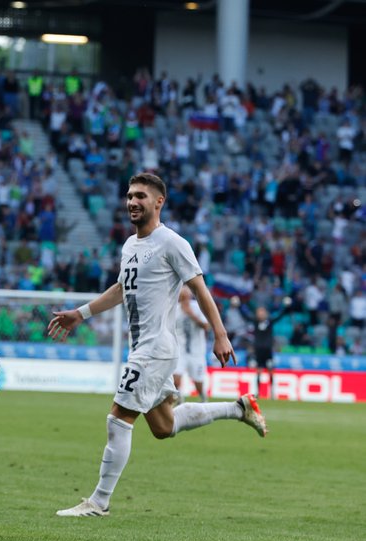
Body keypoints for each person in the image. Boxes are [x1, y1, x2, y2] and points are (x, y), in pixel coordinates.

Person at [48, 173, 267, 518]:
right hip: (143, 348)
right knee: (164, 427)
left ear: (158, 201)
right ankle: (239, 408)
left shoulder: (172, 243)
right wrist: (81, 313)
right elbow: (121, 289)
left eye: (140, 196)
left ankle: (98, 502)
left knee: (118, 419)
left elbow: (200, 290)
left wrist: (220, 334)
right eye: (129, 196)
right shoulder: (130, 246)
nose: (132, 202)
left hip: (155, 349)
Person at [239, 297, 292, 399]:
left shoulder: (270, 321)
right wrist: (239, 306)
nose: (261, 313)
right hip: (258, 350)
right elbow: (245, 316)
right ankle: (258, 392)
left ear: (265, 313)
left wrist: (286, 306)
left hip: (268, 350)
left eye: (262, 311)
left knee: (270, 370)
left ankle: (272, 392)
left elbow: (280, 315)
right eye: (259, 312)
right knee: (258, 371)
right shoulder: (255, 321)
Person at [172, 287, 209, 402]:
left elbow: (206, 326)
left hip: (196, 352)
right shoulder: (174, 310)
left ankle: (203, 398)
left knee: (198, 382)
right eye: (181, 297)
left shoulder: (197, 308)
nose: (184, 299)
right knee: (176, 379)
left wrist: (191, 314)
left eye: (186, 296)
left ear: (190, 296)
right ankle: (180, 401)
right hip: (180, 352)